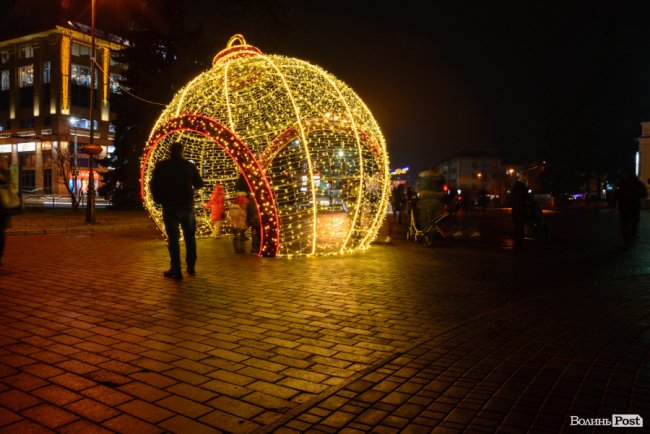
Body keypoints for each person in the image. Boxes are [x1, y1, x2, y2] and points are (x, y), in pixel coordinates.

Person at [149, 141, 204, 279]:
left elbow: (153, 184)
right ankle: (191, 266)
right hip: (187, 205)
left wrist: (158, 199)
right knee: (190, 238)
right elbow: (199, 184)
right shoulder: (189, 166)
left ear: (170, 151)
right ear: (182, 151)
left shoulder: (162, 166)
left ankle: (176, 269)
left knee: (173, 240)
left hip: (170, 206)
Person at [615, 172, 648, 247]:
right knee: (634, 222)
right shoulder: (638, 183)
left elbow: (617, 193)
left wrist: (613, 203)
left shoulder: (623, 183)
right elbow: (644, 194)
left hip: (624, 206)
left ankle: (626, 240)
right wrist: (636, 195)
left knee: (624, 224)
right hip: (634, 206)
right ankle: (631, 237)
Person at [511, 177, 530, 248]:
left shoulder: (514, 188)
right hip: (521, 209)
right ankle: (521, 238)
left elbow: (511, 198)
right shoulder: (523, 188)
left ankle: (516, 237)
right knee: (521, 224)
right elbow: (527, 197)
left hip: (515, 209)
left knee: (516, 224)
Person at [0, 156, 11, 265]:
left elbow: (9, 185)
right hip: (3, 207)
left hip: (2, 206)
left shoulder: (5, 172)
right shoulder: (6, 171)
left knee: (1, 233)